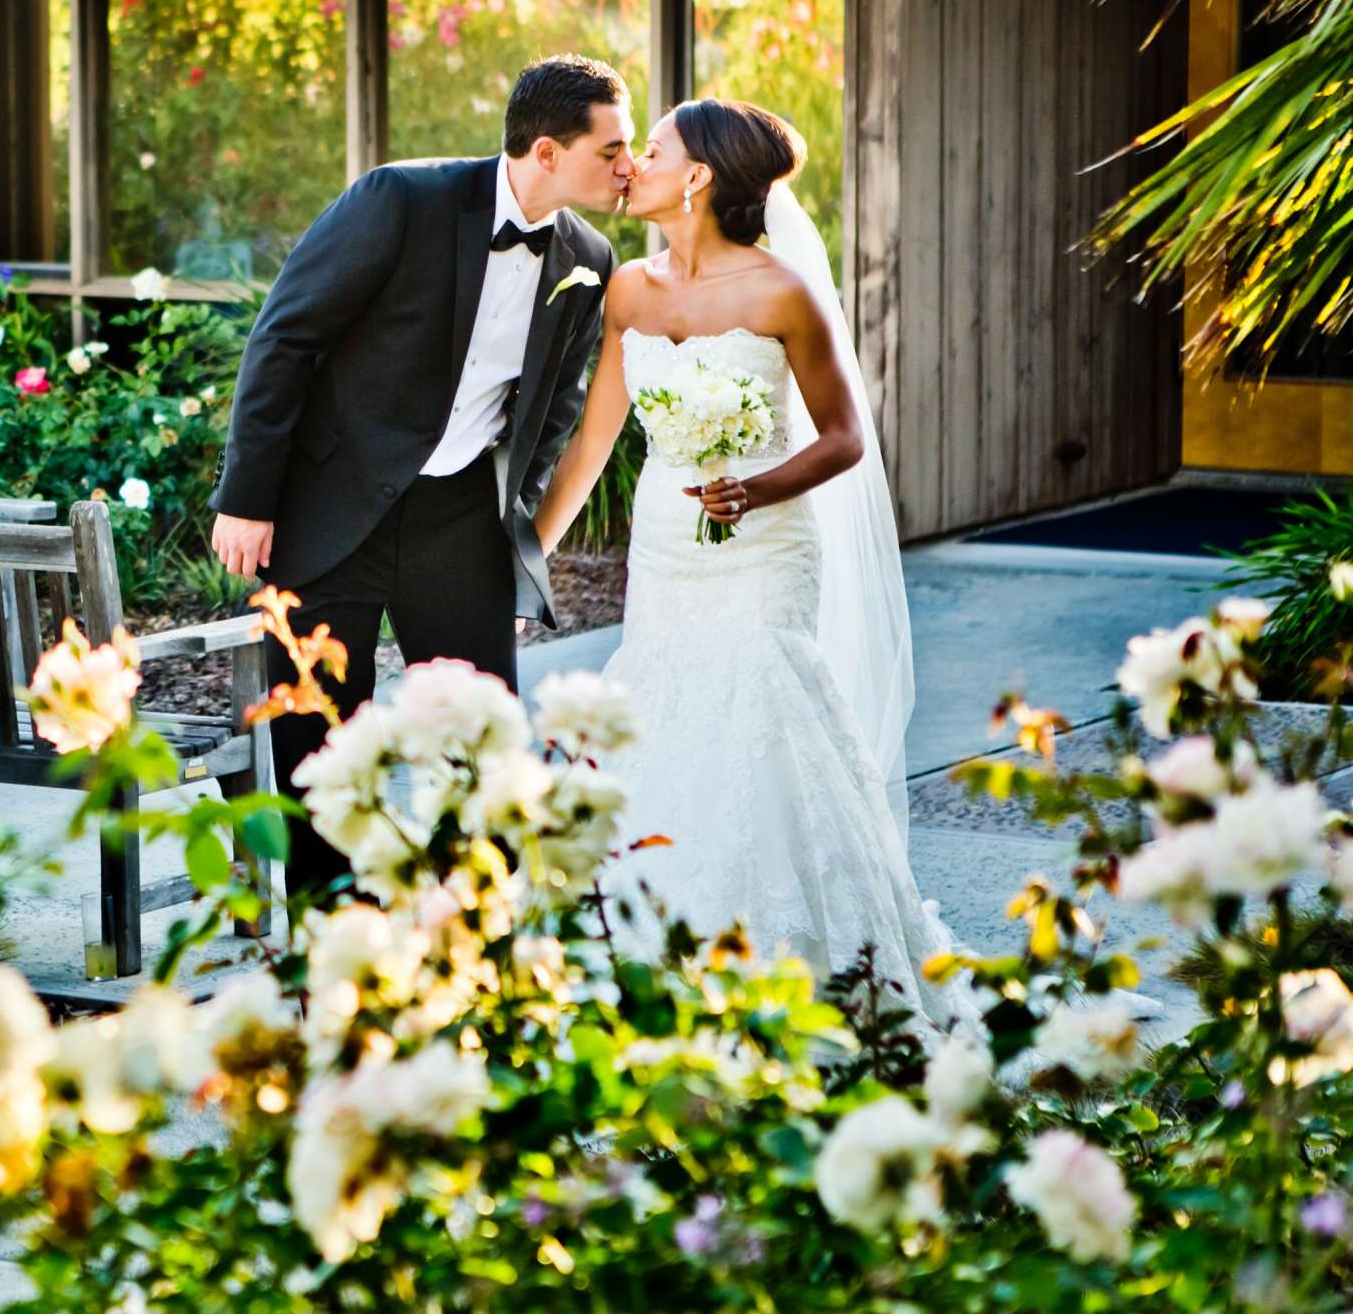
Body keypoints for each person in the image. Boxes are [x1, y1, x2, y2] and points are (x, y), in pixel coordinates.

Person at [529, 96, 969, 1029]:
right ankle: (651, 964)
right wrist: (529, 554)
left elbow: (846, 438)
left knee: (766, 723)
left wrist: (758, 490)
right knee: (661, 725)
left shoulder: (780, 293)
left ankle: (800, 973)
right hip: (666, 550)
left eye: (648, 151)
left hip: (764, 550)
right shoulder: (630, 292)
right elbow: (596, 442)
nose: (630, 164)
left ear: (697, 179)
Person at [210, 54, 632, 896]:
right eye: (611, 149)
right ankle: (325, 936)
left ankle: (481, 931)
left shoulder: (590, 256)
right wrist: (247, 499)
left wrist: (517, 537)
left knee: (483, 742)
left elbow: (551, 410)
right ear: (546, 152)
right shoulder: (401, 200)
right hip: (327, 509)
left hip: (461, 522)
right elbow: (284, 339)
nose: (629, 167)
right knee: (316, 734)